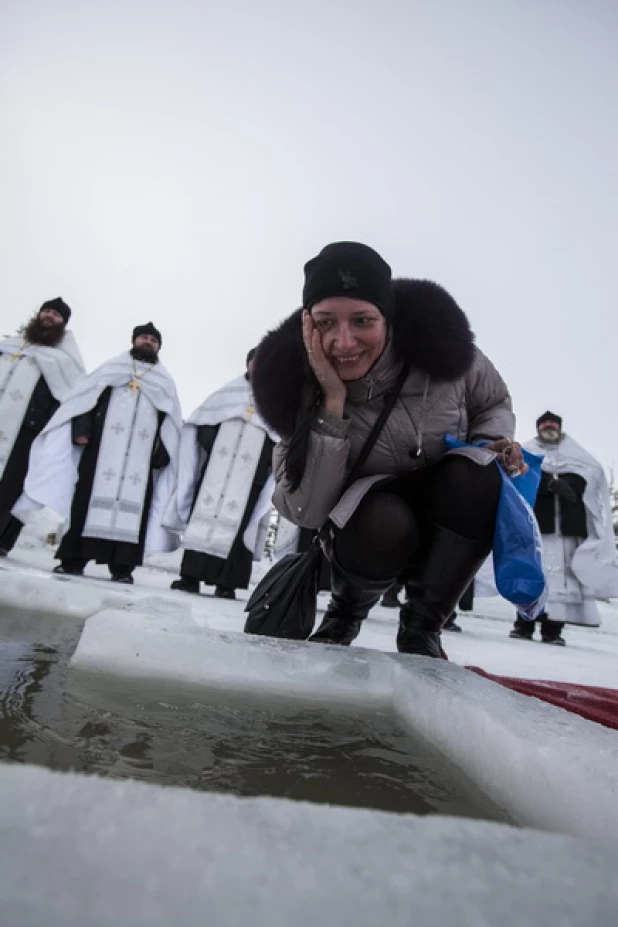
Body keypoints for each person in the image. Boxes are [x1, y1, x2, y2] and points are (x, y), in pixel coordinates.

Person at [252, 241, 523, 657]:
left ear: (388, 316)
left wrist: (490, 444)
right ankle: (345, 612)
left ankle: (422, 629)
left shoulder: (444, 353)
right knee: (384, 519)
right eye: (326, 323)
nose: (344, 342)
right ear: (307, 325)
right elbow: (305, 510)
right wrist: (331, 402)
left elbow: (492, 402)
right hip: (367, 529)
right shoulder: (297, 389)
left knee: (478, 475)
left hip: (446, 507)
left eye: (363, 320)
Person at [14, 323, 182, 583]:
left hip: (140, 461)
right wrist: (82, 430)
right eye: (143, 338)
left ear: (159, 346)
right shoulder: (112, 369)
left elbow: (170, 422)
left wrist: (164, 451)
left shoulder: (164, 382)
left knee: (135, 513)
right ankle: (73, 560)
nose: (148, 342)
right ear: (134, 341)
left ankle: (122, 568)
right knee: (85, 504)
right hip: (101, 451)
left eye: (153, 340)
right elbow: (84, 401)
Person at [167, 350, 277, 599]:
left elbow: (280, 439)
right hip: (215, 473)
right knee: (203, 521)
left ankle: (226, 584)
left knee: (239, 529)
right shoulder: (227, 393)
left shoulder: (275, 400)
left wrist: (262, 463)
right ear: (248, 364)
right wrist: (215, 445)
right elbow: (201, 424)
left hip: (251, 478)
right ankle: (190, 578)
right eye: (255, 361)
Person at [510, 412, 618, 645]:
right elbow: (518, 478)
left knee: (563, 582)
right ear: (538, 427)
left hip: (567, 531)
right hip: (538, 526)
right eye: (544, 423)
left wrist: (570, 484)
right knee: (534, 576)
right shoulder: (527, 451)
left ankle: (553, 631)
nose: (549, 426)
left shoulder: (578, 455)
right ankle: (523, 626)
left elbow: (592, 479)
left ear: (559, 427)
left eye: (553, 423)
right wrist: (548, 484)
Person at [0, 298, 85, 556]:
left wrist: (78, 431)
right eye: (46, 311)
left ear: (64, 323)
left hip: (27, 430)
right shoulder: (9, 346)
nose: (49, 316)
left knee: (11, 488)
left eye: (56, 314)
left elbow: (76, 398)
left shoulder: (64, 360)